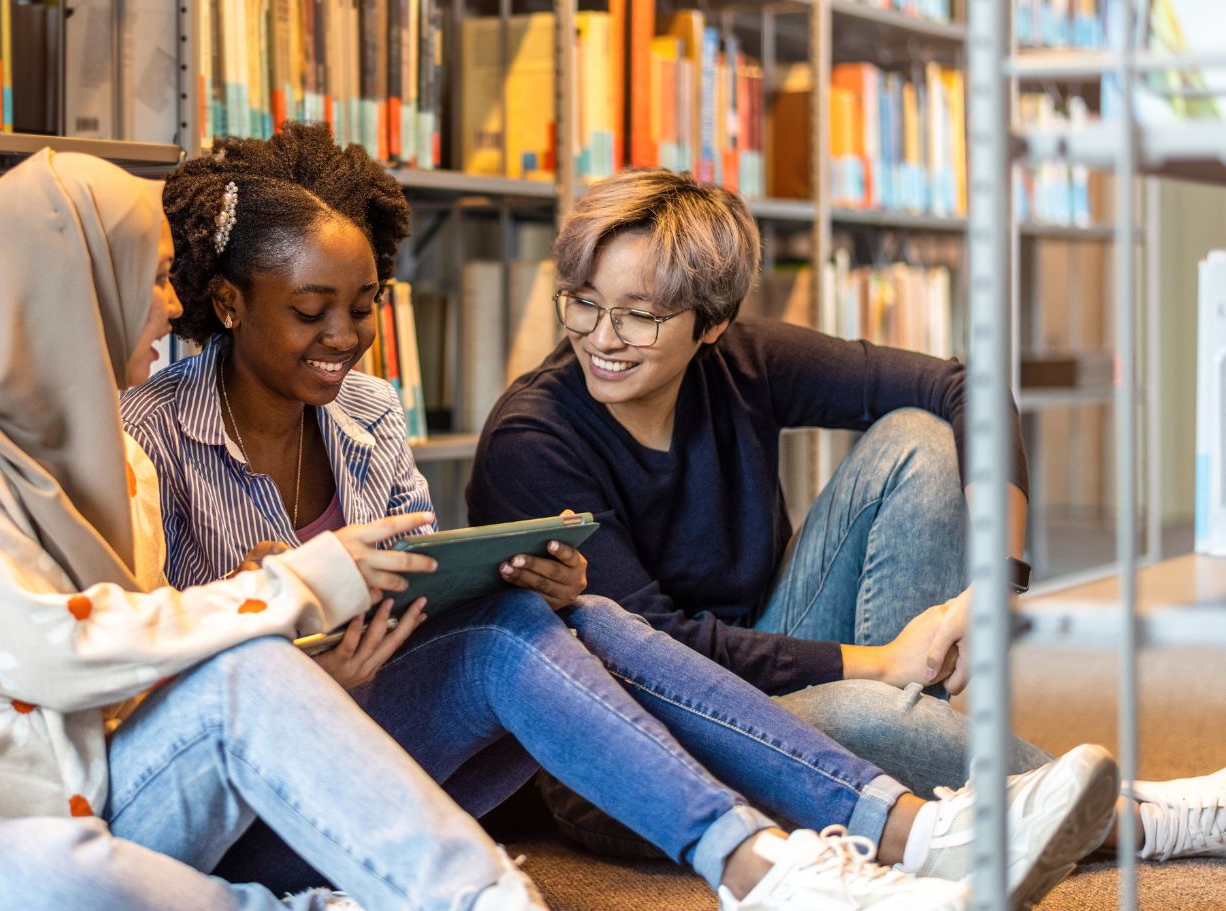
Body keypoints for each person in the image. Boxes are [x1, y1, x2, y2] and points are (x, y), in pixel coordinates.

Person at [119, 125, 1114, 911]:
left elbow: (427, 586)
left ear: (708, 326)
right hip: (257, 786)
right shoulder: (152, 442)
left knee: (568, 611)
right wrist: (281, 649)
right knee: (828, 701)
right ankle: (974, 828)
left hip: (401, 734)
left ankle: (866, 846)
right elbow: (135, 687)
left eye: (364, 304)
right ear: (232, 302)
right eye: (311, 311)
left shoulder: (370, 420)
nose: (346, 338)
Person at [0, 147, 685, 911]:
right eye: (151, 278)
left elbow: (151, 669)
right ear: (72, 285)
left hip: (101, 792)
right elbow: (52, 650)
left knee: (251, 669)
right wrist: (298, 586)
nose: (172, 305)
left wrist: (292, 654)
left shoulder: (120, 453)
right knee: (44, 902)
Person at [465, 167, 1226, 865]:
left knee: (920, 441)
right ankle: (1140, 819)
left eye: (640, 316)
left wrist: (998, 582)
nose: (602, 338)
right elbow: (656, 649)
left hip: (770, 661)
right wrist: (875, 663)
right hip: (635, 747)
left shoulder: (742, 365)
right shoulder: (533, 440)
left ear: (711, 324)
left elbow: (968, 391)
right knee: (867, 718)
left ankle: (913, 782)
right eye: (585, 303)